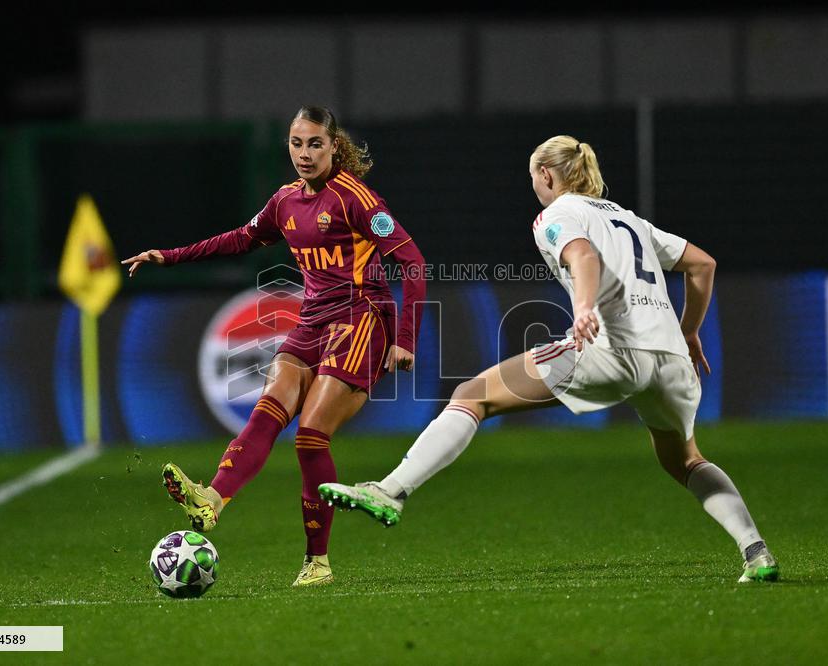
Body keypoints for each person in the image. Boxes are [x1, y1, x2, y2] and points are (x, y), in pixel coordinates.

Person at [319, 135, 779, 583]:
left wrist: (583, 308)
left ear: (545, 175)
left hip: (610, 348)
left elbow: (580, 255)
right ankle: (755, 550)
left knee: (471, 394)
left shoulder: (554, 215)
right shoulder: (629, 218)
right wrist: (690, 331)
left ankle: (390, 491)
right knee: (686, 460)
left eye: (532, 177)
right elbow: (703, 265)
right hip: (673, 362)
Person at [122, 106, 427, 587]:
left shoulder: (357, 200)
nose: (304, 154)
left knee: (310, 436)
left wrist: (405, 338)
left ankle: (317, 562)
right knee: (268, 410)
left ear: (333, 147)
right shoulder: (285, 201)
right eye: (296, 143)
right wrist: (170, 255)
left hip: (362, 318)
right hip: (312, 321)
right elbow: (241, 238)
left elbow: (412, 263)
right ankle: (213, 500)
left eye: (314, 144)